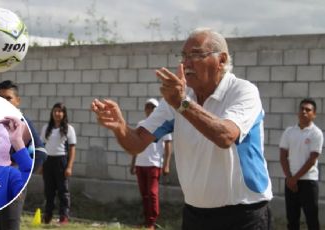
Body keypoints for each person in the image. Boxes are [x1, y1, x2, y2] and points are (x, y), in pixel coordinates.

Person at [92, 28, 273, 230]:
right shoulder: (179, 97)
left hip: (243, 214)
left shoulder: (242, 91)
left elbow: (225, 136)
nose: (186, 63)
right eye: (184, 56)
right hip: (195, 214)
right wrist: (119, 127)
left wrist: (182, 103)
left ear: (221, 60)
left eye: (196, 55)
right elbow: (137, 143)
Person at [0, 80, 47, 230]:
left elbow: (40, 152)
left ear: (17, 101)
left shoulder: (22, 123)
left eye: (8, 98)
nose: (3, 102)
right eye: (0, 98)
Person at [279, 98, 323, 230]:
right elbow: (282, 155)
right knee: (292, 219)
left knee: (312, 219)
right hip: (290, 182)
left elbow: (312, 160)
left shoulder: (316, 133)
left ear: (314, 114)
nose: (304, 112)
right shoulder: (289, 131)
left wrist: (295, 178)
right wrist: (289, 178)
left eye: (308, 110)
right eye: (301, 109)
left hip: (308, 182)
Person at [130, 98, 172, 229]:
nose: (149, 110)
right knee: (144, 193)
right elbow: (135, 144)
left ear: (157, 110)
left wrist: (166, 164)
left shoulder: (162, 124)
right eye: (147, 107)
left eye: (152, 107)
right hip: (140, 163)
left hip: (154, 164)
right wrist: (132, 163)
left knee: (152, 193)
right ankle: (146, 219)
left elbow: (168, 145)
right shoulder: (141, 124)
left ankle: (152, 222)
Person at [40, 102, 77, 225]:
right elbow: (42, 146)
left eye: (60, 111)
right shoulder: (46, 128)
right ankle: (47, 215)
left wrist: (69, 166)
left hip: (61, 161)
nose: (57, 113)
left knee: (63, 191)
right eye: (55, 111)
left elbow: (72, 148)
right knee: (49, 191)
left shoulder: (69, 129)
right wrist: (41, 164)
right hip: (48, 161)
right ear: (52, 112)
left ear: (64, 114)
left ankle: (63, 216)